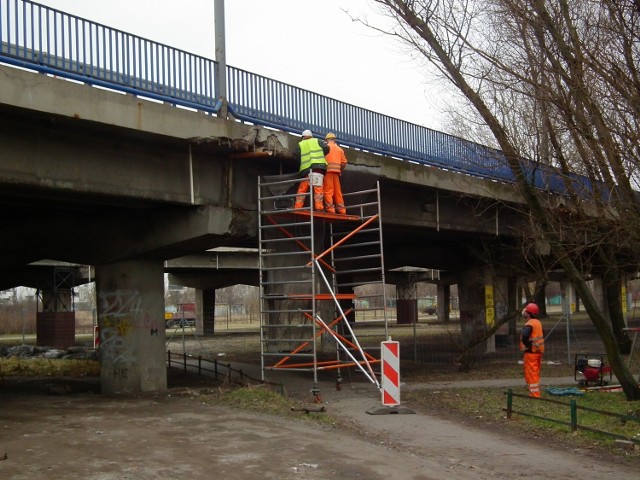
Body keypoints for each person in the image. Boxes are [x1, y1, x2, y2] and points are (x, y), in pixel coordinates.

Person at [293, 129, 329, 211]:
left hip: (306, 170)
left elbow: (296, 156)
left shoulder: (300, 144)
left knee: (302, 190)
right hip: (318, 168)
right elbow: (327, 148)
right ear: (311, 136)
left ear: (303, 137)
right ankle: (319, 207)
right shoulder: (317, 141)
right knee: (318, 189)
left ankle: (298, 207)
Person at [520, 302, 545, 397]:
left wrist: (527, 344)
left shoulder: (529, 324)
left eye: (526, 311)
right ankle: (534, 390)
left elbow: (525, 336)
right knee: (535, 372)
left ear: (529, 313)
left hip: (531, 352)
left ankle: (534, 394)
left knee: (531, 372)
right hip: (538, 351)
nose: (524, 312)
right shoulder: (538, 322)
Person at [323, 132, 348, 214]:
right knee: (338, 191)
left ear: (326, 140)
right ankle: (342, 210)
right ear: (334, 140)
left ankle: (330, 209)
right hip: (337, 172)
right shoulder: (339, 149)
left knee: (328, 190)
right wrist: (340, 168)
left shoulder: (325, 148)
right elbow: (344, 162)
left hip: (328, 172)